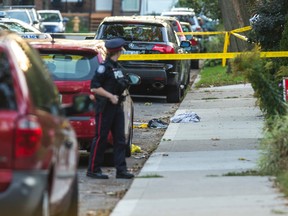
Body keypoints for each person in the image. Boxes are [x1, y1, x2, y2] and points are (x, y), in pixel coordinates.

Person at [87, 37, 134, 179]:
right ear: (117, 51)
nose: (122, 52)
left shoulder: (117, 67)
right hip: (105, 108)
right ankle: (93, 170)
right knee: (101, 138)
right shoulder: (104, 68)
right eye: (121, 50)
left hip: (117, 107)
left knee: (120, 139)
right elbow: (95, 87)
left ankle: (121, 170)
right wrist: (110, 96)